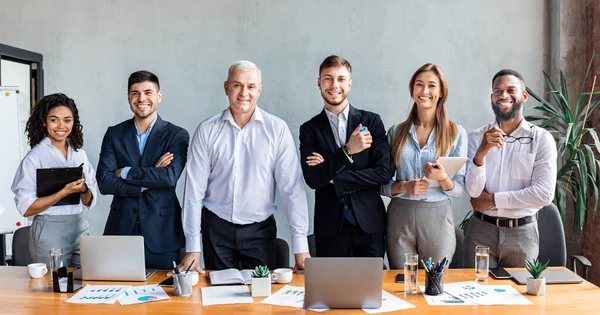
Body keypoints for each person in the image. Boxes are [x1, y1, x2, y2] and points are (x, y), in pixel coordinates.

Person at [178, 60, 310, 273]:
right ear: (226, 87)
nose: (244, 93)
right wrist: (193, 246)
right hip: (216, 229)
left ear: (259, 90)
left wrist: (300, 246)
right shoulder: (207, 130)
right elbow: (193, 192)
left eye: (250, 86)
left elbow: (292, 189)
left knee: (260, 301)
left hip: (260, 231)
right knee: (218, 299)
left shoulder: (277, 130)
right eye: (237, 85)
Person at [299, 55, 392, 258]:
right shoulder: (309, 129)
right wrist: (348, 151)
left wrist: (333, 177)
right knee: (331, 289)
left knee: (370, 289)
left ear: (349, 84)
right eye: (328, 78)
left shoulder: (372, 121)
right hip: (330, 228)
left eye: (341, 79)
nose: (334, 85)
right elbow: (313, 179)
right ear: (319, 83)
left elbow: (384, 172)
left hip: (369, 225)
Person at [96, 70, 189, 270]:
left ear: (159, 96)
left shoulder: (176, 135)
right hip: (120, 230)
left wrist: (126, 172)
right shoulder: (114, 134)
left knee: (165, 297)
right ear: (129, 98)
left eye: (148, 92)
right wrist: (145, 184)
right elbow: (104, 182)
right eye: (135, 93)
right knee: (115, 293)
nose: (141, 98)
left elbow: (169, 178)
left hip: (162, 233)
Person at [464, 69, 557, 268]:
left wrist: (492, 199)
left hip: (523, 233)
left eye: (510, 90)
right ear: (492, 98)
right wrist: (481, 154)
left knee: (519, 294)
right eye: (498, 91)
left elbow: (543, 194)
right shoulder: (476, 137)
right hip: (481, 230)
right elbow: (473, 193)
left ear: (524, 96)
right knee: (476, 294)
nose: (503, 95)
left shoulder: (541, 139)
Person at [381, 63, 467, 268]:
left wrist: (443, 178)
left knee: (435, 284)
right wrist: (404, 187)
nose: (425, 91)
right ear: (412, 90)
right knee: (401, 283)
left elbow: (458, 190)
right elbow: (381, 184)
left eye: (431, 85)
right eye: (419, 85)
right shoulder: (395, 133)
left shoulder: (456, 133)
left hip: (437, 217)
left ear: (441, 92)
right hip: (399, 216)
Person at [12, 93, 97, 267]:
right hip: (49, 229)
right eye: (54, 120)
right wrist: (64, 192)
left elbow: (89, 201)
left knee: (84, 282)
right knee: (53, 287)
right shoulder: (34, 158)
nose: (61, 126)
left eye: (67, 120)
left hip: (79, 226)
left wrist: (83, 189)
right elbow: (26, 208)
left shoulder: (79, 154)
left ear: (74, 122)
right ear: (44, 122)